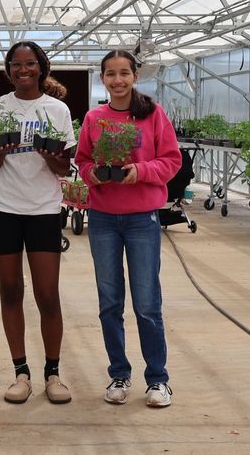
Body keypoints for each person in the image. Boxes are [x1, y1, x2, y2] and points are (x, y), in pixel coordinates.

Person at [74, 49, 181, 408]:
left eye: (124, 73)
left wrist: (141, 172)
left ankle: (158, 379)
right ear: (102, 78)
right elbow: (83, 159)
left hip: (142, 219)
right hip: (103, 218)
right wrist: (94, 176)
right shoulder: (95, 117)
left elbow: (171, 161)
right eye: (110, 74)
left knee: (148, 302)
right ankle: (119, 373)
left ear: (135, 75)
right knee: (109, 302)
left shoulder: (153, 115)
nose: (117, 80)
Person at [0, 41, 75, 405]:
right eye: (17, 65)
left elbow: (65, 168)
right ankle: (21, 372)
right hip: (3, 207)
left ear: (41, 68)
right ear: (9, 70)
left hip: (44, 209)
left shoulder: (57, 110)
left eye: (30, 64)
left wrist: (48, 155)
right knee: (10, 291)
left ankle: (53, 373)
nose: (24, 70)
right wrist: (0, 153)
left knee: (48, 294)